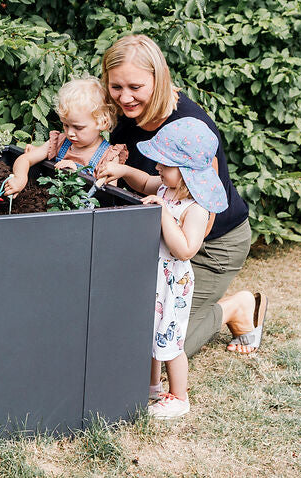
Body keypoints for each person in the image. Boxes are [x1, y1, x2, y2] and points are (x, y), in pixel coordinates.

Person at [96, 34, 268, 356]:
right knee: (127, 326)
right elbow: (147, 183)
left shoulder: (190, 128)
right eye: (116, 87)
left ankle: (236, 307)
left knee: (162, 345)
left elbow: (198, 228)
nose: (125, 97)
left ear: (157, 79)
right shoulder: (127, 117)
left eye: (135, 87)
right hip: (165, 240)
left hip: (210, 243)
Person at [101, 117, 226, 418]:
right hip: (154, 276)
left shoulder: (194, 207)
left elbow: (185, 249)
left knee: (169, 340)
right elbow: (143, 182)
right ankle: (150, 387)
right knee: (149, 333)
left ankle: (179, 396)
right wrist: (121, 170)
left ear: (184, 173)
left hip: (174, 283)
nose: (156, 167)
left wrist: (163, 214)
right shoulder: (167, 189)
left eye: (164, 164)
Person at [2, 77, 127, 196]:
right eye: (66, 125)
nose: (70, 133)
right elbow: (25, 159)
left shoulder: (108, 157)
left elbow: (108, 196)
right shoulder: (60, 141)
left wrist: (75, 175)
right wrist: (20, 178)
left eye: (78, 127)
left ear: (103, 122)